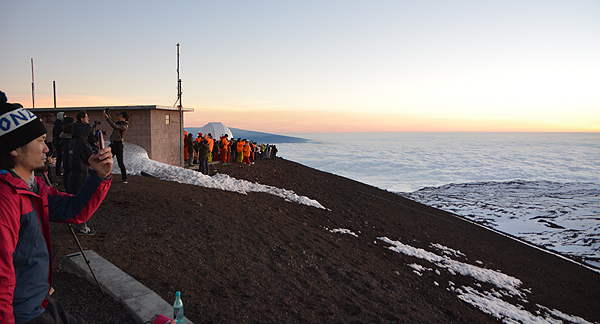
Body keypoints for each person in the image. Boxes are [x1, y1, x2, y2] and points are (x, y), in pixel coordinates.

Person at [0, 91, 113, 324]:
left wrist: (99, 176)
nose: (46, 149)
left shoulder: (32, 186)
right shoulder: (5, 198)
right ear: (14, 148)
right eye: (40, 141)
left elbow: (73, 210)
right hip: (23, 314)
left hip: (39, 301)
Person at [68, 111, 96, 235]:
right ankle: (81, 226)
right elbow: (90, 159)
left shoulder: (72, 141)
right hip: (80, 174)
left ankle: (70, 222)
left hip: (70, 173)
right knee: (83, 201)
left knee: (72, 199)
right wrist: (95, 149)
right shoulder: (82, 144)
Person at [104, 111, 129, 183]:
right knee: (106, 159)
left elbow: (114, 125)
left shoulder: (124, 126)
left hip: (118, 145)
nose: (119, 117)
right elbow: (113, 123)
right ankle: (104, 175)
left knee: (120, 163)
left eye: (121, 116)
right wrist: (107, 116)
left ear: (124, 118)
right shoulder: (119, 123)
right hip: (112, 144)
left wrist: (108, 118)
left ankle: (124, 178)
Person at [51, 112, 65, 178]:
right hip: (58, 143)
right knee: (59, 158)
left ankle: (58, 171)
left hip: (57, 142)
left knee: (59, 158)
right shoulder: (58, 125)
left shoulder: (57, 125)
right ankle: (58, 172)